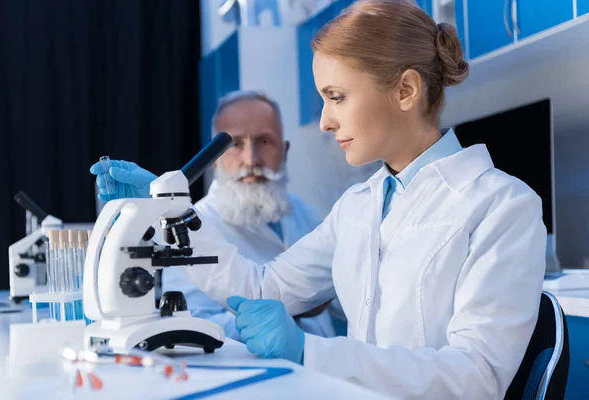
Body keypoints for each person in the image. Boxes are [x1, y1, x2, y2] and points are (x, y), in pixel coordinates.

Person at [93, 1, 547, 398]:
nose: (326, 121)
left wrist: (312, 352)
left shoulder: (501, 206)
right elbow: (262, 289)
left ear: (406, 90)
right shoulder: (358, 206)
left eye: (337, 97)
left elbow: (478, 378)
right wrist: (169, 208)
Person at [90, 90, 338, 340]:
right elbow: (190, 324)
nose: (250, 159)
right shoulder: (189, 227)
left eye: (264, 142)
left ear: (284, 150)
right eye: (236, 144)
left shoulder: (306, 214)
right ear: (214, 159)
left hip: (325, 366)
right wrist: (291, 309)